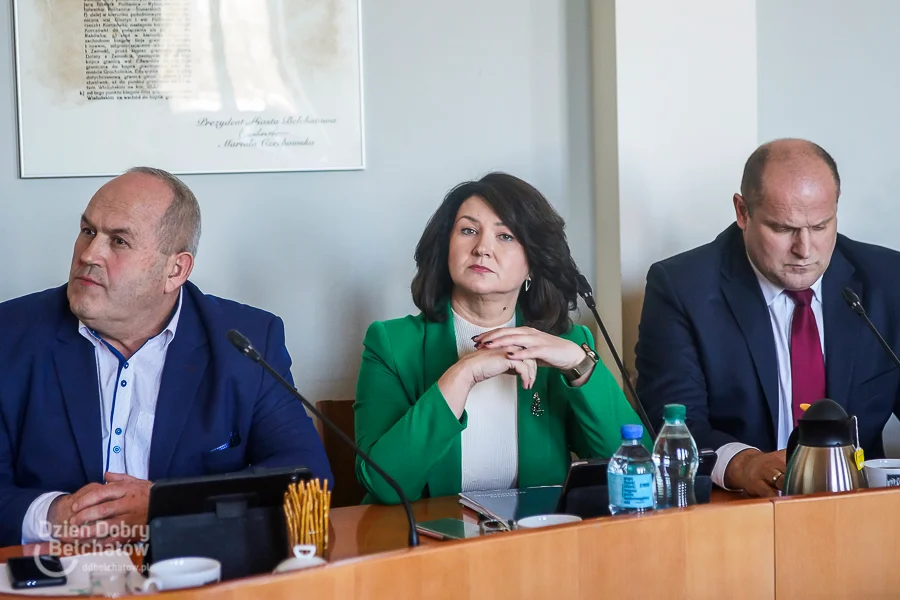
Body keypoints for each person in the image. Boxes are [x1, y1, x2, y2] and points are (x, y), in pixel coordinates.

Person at [0, 167, 331, 546]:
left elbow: (306, 477)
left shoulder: (246, 342)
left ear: (175, 270)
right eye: (88, 231)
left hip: (196, 566)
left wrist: (169, 506)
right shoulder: (10, 334)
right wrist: (53, 515)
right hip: (56, 569)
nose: (89, 254)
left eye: (119, 241)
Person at [354, 172, 648, 504]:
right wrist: (464, 373)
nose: (482, 248)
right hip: (430, 532)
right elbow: (383, 485)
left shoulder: (566, 344)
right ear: (445, 247)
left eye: (505, 236)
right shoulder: (392, 344)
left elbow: (636, 471)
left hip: (534, 531)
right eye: (468, 231)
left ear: (533, 262)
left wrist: (579, 365)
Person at [635, 138, 900, 498]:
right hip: (740, 507)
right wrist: (743, 463)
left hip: (856, 506)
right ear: (743, 212)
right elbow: (673, 421)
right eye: (783, 229)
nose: (804, 249)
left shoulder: (887, 280)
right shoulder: (682, 288)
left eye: (820, 226)